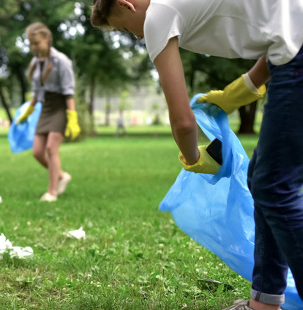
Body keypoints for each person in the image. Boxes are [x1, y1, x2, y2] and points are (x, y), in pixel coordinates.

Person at [90, 0, 303, 309]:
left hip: (295, 64)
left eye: (124, 27)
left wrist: (192, 159)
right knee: (263, 181)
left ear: (126, 4)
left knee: (273, 188)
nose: (136, 37)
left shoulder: (157, 15)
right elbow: (285, 29)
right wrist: (241, 90)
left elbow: (183, 121)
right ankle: (265, 303)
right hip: (290, 58)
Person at [16, 22, 81, 202]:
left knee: (52, 148)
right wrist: (27, 112)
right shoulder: (35, 62)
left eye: (36, 43)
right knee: (37, 152)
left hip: (60, 106)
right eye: (31, 44)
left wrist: (72, 118)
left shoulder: (62, 61)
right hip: (45, 107)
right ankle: (61, 175)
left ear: (46, 39)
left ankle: (51, 192)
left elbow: (69, 92)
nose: (33, 47)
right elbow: (36, 93)